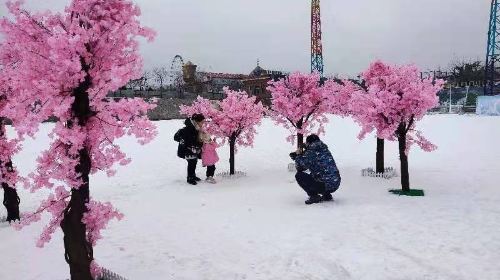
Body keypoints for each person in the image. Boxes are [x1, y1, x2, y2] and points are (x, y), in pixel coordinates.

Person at [290, 134, 341, 205]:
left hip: (325, 185)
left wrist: (298, 156)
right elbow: (316, 161)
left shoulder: (311, 152)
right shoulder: (324, 149)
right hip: (335, 184)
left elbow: (300, 167)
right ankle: (327, 195)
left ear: (308, 143)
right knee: (316, 173)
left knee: (299, 175)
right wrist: (304, 152)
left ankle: (314, 196)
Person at [174, 114, 205, 185]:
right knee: (191, 163)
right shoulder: (189, 129)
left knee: (194, 162)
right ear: (197, 121)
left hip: (194, 149)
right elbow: (178, 137)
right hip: (188, 150)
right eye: (202, 122)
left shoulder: (196, 128)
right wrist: (183, 140)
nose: (203, 123)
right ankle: (190, 178)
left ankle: (193, 175)